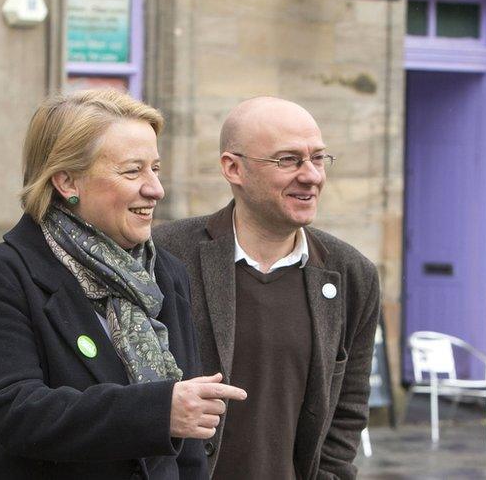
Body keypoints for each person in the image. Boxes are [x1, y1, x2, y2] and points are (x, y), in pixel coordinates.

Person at [0, 89, 246, 479]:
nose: (155, 189)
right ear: (67, 182)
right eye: (132, 171)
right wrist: (158, 411)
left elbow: (188, 443)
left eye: (155, 169)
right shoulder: (2, 276)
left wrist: (174, 415)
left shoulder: (164, 273)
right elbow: (15, 411)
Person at [153, 96, 380, 479]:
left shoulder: (351, 274)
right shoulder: (167, 256)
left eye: (318, 158)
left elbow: (347, 411)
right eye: (288, 160)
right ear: (233, 168)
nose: (311, 175)